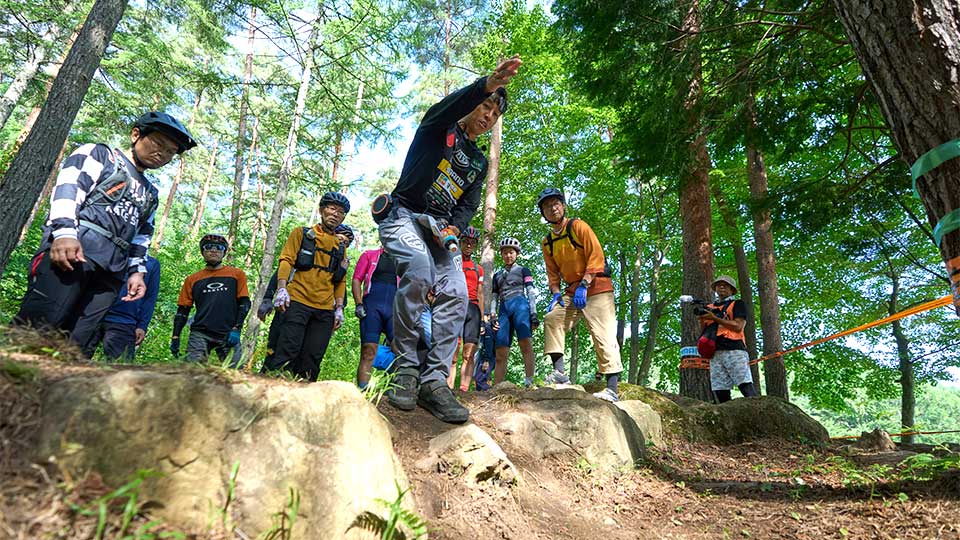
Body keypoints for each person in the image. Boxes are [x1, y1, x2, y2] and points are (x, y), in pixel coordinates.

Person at [377, 55, 521, 423]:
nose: (488, 116)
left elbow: (468, 204)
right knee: (419, 270)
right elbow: (452, 105)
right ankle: (406, 369)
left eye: (495, 114)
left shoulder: (478, 163)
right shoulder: (438, 127)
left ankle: (434, 381)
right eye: (485, 106)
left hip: (440, 232)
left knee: (457, 291)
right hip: (403, 215)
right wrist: (486, 85)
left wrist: (455, 226)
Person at [13, 112, 196, 355]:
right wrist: (65, 233)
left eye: (170, 152)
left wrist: (137, 272)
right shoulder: (100, 155)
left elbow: (142, 237)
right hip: (74, 251)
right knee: (38, 327)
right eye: (158, 143)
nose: (162, 154)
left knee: (77, 344)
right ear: (136, 134)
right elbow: (69, 187)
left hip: (111, 272)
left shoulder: (150, 194)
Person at [538, 187, 624, 402]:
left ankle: (612, 388)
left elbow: (597, 256)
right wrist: (556, 294)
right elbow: (552, 274)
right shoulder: (547, 242)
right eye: (547, 206)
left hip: (596, 286)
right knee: (553, 318)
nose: (552, 208)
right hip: (572, 290)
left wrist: (585, 284)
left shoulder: (578, 226)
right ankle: (559, 373)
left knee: (603, 333)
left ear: (563, 206)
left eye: (556, 203)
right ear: (543, 213)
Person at [271, 192, 350, 381]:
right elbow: (286, 260)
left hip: (324, 310)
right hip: (297, 301)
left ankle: (304, 394)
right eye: (332, 209)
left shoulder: (340, 247)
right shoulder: (301, 233)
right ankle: (274, 391)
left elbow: (340, 280)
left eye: (340, 212)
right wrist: (281, 289)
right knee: (287, 351)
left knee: (312, 359)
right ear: (322, 211)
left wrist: (339, 308)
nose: (335, 214)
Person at [172, 233, 250, 365]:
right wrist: (175, 336)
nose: (214, 250)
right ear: (202, 251)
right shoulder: (192, 279)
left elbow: (244, 303)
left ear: (224, 252)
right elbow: (183, 310)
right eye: (208, 247)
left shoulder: (237, 274)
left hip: (228, 332)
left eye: (219, 247)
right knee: (192, 370)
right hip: (200, 332)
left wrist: (237, 328)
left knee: (235, 371)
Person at [700, 275, 757, 403]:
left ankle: (759, 411)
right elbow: (705, 330)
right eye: (719, 285)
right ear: (715, 289)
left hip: (734, 349)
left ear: (732, 290)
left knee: (745, 386)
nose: (721, 287)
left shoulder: (737, 304)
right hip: (715, 352)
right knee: (720, 391)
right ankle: (727, 415)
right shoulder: (710, 307)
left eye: (725, 285)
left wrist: (715, 318)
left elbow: (738, 326)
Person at [92, 255, 161, 362]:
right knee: (73, 359)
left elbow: (150, 297)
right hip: (92, 315)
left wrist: (142, 325)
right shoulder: (108, 251)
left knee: (122, 365)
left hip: (124, 321)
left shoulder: (151, 263)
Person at [491, 237, 539, 388]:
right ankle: (497, 387)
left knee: (525, 343)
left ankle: (529, 382)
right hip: (503, 310)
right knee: (500, 350)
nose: (508, 256)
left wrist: (533, 313)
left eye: (511, 252)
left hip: (520, 305)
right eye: (505, 253)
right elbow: (494, 296)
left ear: (516, 254)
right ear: (501, 254)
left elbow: (530, 291)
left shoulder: (524, 270)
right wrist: (492, 314)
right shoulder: (497, 275)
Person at [352, 244, 398, 389]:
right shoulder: (369, 255)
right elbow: (357, 279)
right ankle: (363, 391)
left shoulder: (404, 259)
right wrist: (359, 304)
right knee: (368, 351)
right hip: (372, 307)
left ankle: (395, 389)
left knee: (401, 351)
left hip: (394, 310)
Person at [446, 225, 484, 391]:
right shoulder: (452, 262)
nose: (469, 245)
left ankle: (464, 390)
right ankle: (448, 388)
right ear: (460, 242)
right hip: (455, 306)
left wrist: (483, 319)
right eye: (466, 241)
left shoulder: (478, 268)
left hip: (473, 309)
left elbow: (481, 293)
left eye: (472, 243)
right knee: (453, 353)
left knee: (469, 353)